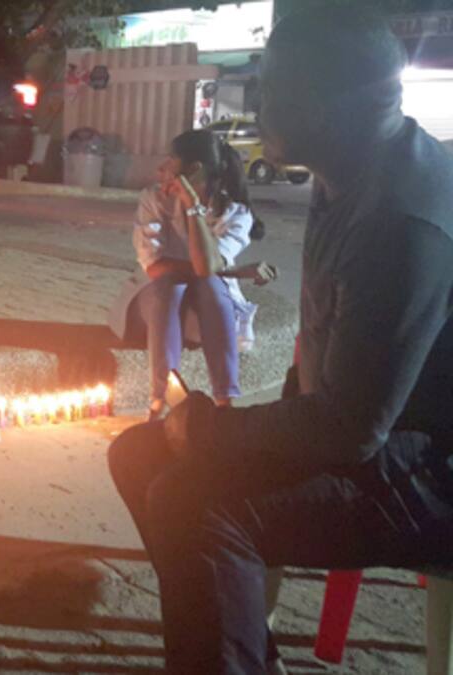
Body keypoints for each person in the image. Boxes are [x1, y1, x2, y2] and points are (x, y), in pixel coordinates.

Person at [108, 8, 453, 674]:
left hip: (429, 471)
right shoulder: (350, 172)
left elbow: (353, 428)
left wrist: (214, 431)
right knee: (141, 454)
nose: (258, 108)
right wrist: (237, 432)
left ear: (330, 103)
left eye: (274, 90)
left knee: (193, 504)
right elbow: (326, 355)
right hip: (374, 432)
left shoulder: (400, 220)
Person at [109, 129, 276, 420]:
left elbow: (206, 269)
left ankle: (224, 402)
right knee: (170, 286)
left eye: (171, 159)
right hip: (152, 305)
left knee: (211, 285)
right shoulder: (154, 198)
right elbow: (156, 266)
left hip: (203, 314)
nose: (161, 168)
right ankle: (159, 401)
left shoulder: (236, 214)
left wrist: (192, 207)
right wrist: (235, 271)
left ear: (194, 169)